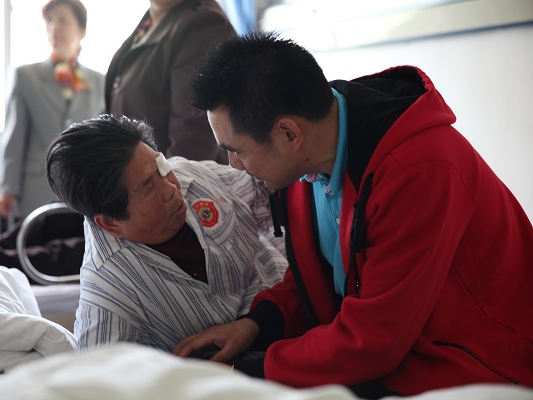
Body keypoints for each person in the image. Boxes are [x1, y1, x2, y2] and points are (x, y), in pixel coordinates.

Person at [172, 31, 533, 398]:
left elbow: (376, 339)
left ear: (288, 134)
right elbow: (319, 278)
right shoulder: (308, 159)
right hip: (399, 353)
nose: (233, 164)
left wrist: (250, 372)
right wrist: (255, 326)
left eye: (236, 150)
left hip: (480, 366)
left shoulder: (418, 169)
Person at [45, 114, 287, 353]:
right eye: (149, 187)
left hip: (288, 295)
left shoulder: (191, 176)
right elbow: (103, 374)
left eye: (161, 168)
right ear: (111, 223)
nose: (171, 187)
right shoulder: (110, 296)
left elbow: (268, 190)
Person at [0, 0, 104, 219]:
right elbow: (14, 136)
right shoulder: (25, 77)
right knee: (33, 238)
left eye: (63, 20)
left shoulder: (100, 82)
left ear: (82, 30)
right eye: (50, 20)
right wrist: (6, 188)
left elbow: (102, 142)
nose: (54, 27)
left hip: (84, 190)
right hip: (37, 187)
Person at [105, 0, 236, 164]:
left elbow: (192, 141)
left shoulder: (202, 24)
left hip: (172, 176)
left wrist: (165, 179)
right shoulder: (150, 21)